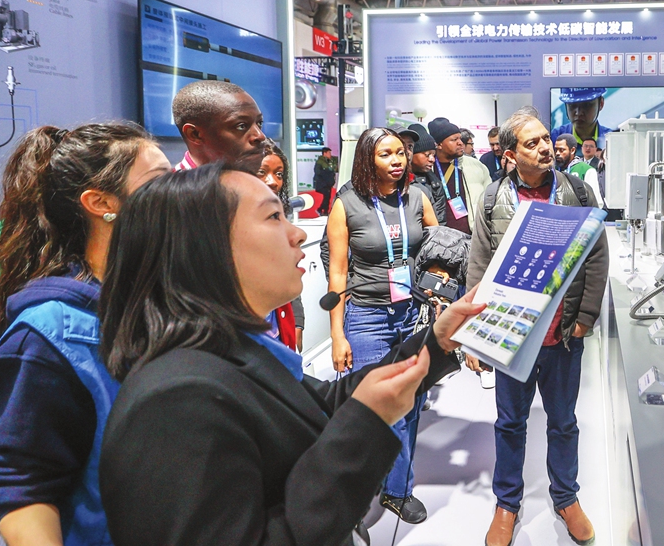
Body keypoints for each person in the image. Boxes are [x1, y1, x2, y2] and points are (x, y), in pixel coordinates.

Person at [96, 164, 482, 545]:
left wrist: (436, 342)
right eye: (273, 217)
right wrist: (365, 428)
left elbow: (322, 402)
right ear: (207, 246)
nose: (297, 233)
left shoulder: (231, 347)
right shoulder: (174, 402)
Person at [0, 123, 171, 545]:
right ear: (101, 203)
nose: (178, 191)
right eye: (159, 181)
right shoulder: (47, 334)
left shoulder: (157, 300)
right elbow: (22, 491)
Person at [466, 109, 608, 546]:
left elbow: (597, 255)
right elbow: (478, 265)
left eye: (546, 138)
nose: (545, 147)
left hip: (564, 335)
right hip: (514, 336)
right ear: (510, 155)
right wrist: (472, 333)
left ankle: (566, 498)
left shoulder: (576, 191)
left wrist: (585, 317)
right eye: (532, 143)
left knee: (563, 422)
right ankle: (507, 504)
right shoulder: (493, 199)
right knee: (510, 423)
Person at [325, 128, 439, 524]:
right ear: (366, 160)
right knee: (373, 409)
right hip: (368, 318)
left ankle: (396, 490)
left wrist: (439, 291)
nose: (397, 160)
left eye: (400, 154)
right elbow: (337, 272)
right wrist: (337, 334)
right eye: (386, 154)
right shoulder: (347, 203)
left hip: (412, 314)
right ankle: (362, 486)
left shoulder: (417, 197)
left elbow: (440, 251)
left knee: (410, 405)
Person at [258, 139, 305, 352]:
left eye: (279, 174)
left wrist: (298, 322)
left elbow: (290, 271)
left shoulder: (278, 214)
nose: (273, 182)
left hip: (278, 323)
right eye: (262, 172)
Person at [170, 80, 266, 173]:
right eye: (241, 126)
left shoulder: (254, 185)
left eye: (259, 123)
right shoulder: (169, 189)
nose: (260, 136)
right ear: (195, 134)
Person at [427, 118, 491, 234]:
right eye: (454, 139)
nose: (460, 143)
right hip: (440, 239)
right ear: (439, 144)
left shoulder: (477, 166)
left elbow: (491, 201)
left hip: (472, 238)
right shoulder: (427, 168)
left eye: (460, 138)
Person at [408, 127, 448, 228]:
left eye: (433, 155)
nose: (432, 159)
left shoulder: (435, 183)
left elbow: (440, 220)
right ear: (411, 154)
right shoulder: (397, 181)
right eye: (427, 154)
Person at [313, 147, 340, 215]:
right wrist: (327, 174)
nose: (330, 154)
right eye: (329, 153)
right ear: (324, 153)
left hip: (328, 183)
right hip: (323, 183)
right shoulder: (320, 162)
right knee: (326, 197)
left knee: (327, 197)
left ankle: (324, 210)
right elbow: (317, 171)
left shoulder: (330, 161)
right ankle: (322, 210)